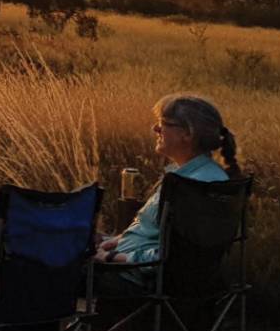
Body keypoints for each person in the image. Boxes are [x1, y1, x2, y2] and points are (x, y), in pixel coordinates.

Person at [95, 93, 240, 291]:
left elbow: (172, 258)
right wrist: (109, 243)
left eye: (163, 123)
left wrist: (112, 257)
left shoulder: (194, 187)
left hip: (132, 277)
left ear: (187, 134)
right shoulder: (194, 178)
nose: (155, 128)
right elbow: (154, 232)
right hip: (126, 267)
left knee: (46, 270)